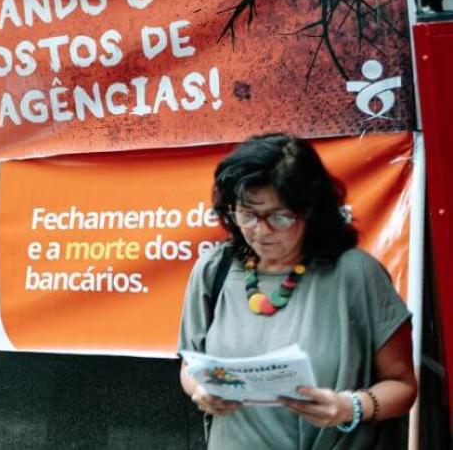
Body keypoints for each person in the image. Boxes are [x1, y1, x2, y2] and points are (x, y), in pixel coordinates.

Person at [177, 133, 417, 448]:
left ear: (311, 212)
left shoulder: (355, 274)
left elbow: (402, 386)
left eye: (279, 217)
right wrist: (200, 390)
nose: (261, 231)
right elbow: (189, 367)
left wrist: (350, 407)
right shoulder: (214, 270)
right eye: (247, 214)